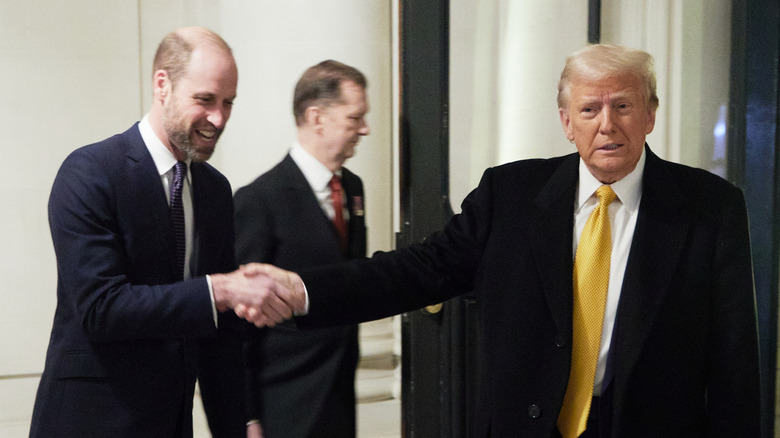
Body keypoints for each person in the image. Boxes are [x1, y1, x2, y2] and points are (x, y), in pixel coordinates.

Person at [242, 44, 761, 437]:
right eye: (589, 110)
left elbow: (735, 363)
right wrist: (303, 290)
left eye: (623, 106)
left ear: (650, 115)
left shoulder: (709, 208)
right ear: (566, 123)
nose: (608, 125)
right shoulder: (509, 195)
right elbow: (415, 271)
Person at [30, 27, 295, 438]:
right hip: (89, 423)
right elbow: (101, 308)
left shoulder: (215, 191)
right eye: (205, 100)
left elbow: (220, 337)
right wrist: (218, 290)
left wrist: (238, 424)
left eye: (228, 103)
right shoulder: (90, 173)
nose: (219, 119)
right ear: (162, 84)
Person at [234, 60, 370, 438]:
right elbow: (238, 324)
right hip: (284, 403)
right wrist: (247, 417)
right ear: (317, 117)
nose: (365, 129)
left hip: (339, 395)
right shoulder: (258, 201)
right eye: (354, 117)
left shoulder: (354, 189)